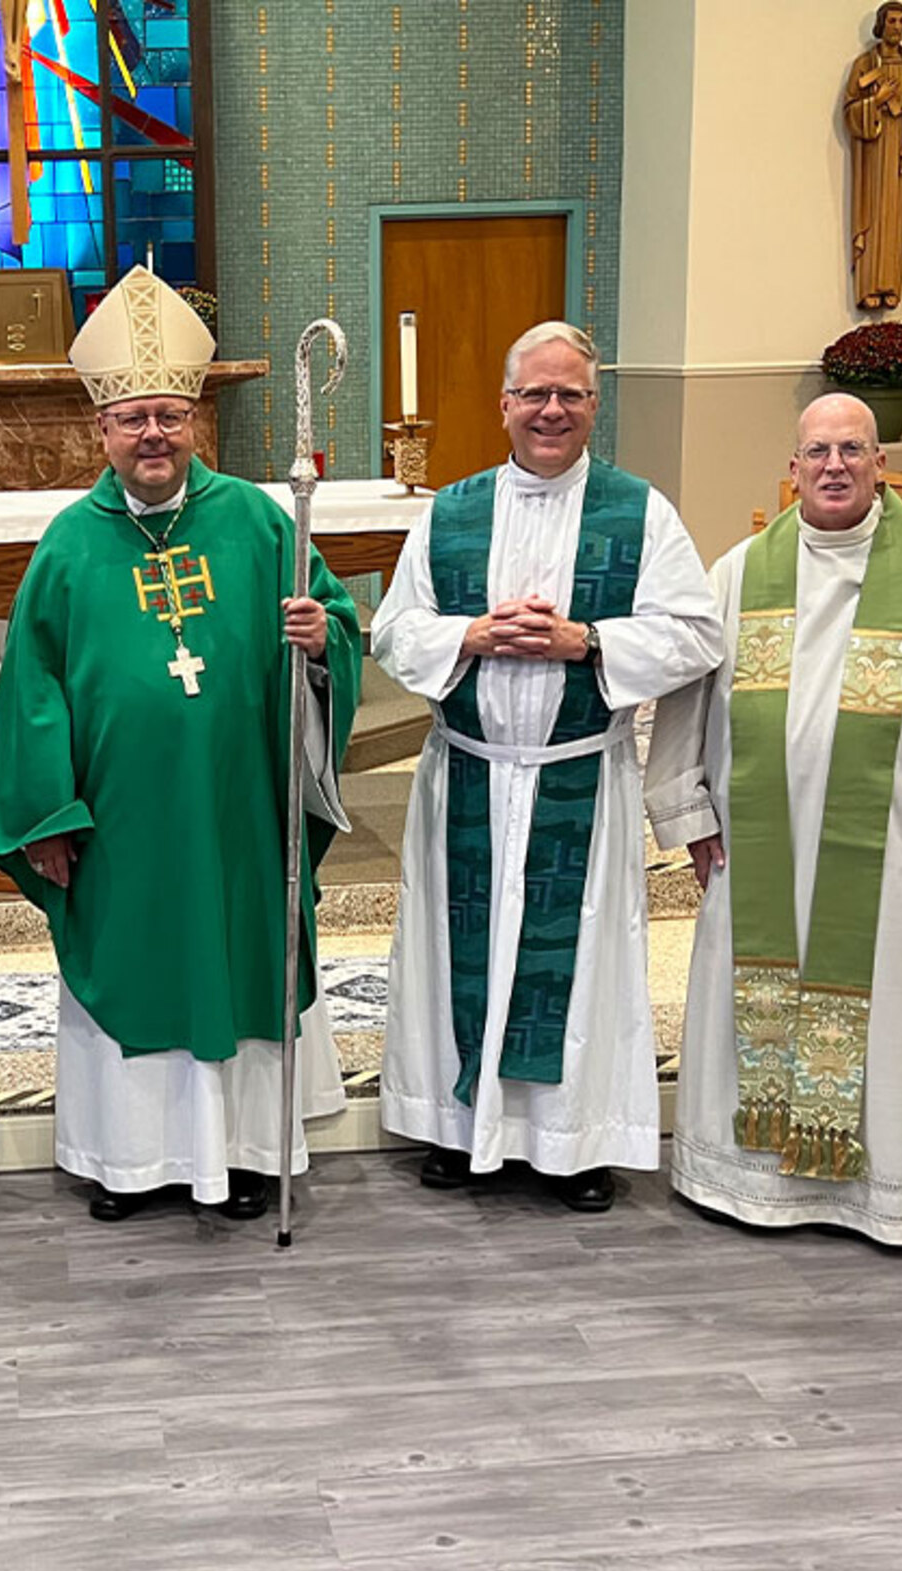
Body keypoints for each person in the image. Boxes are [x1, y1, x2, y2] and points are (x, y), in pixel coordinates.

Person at [0, 266, 362, 1222]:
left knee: (239, 959)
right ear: (101, 430)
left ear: (195, 423)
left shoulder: (257, 518)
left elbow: (337, 622)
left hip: (239, 806)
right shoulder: (70, 544)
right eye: (133, 419)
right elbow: (31, 688)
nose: (153, 433)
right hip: (121, 824)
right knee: (135, 967)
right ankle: (129, 1162)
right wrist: (47, 814)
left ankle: (242, 1156)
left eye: (170, 416)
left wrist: (323, 642)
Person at [646, 394, 902, 1247]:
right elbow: (684, 700)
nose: (835, 466)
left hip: (895, 855)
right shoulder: (740, 573)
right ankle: (745, 1179)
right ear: (793, 467)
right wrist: (687, 808)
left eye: (853, 450)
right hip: (756, 850)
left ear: (880, 465)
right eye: (818, 451)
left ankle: (881, 1189)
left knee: (888, 1009)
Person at [372, 321, 722, 1212]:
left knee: (583, 963)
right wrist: (472, 634)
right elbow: (394, 631)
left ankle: (576, 1143)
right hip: (469, 775)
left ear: (595, 406)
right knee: (459, 956)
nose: (551, 410)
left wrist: (586, 641)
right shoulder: (449, 512)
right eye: (535, 393)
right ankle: (459, 1132)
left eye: (570, 394)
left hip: (580, 781)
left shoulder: (640, 512)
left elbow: (697, 633)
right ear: (505, 405)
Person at [843, 2, 902, 312]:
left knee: (895, 214)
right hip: (873, 150)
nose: (897, 28)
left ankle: (891, 284)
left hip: (899, 151)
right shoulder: (865, 65)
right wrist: (875, 101)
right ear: (881, 24)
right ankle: (868, 285)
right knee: (874, 214)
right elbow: (850, 110)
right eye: (892, 21)